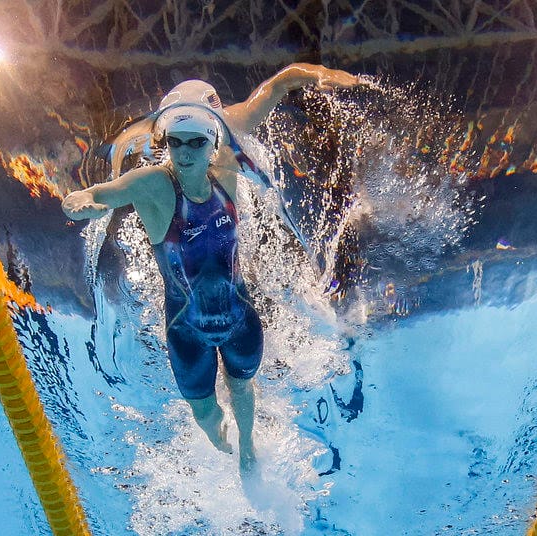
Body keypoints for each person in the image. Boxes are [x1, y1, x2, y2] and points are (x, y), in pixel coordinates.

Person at [62, 64, 360, 474]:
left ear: (213, 141)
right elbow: (103, 193)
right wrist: (81, 201)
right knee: (205, 415)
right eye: (175, 142)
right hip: (186, 333)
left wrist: (321, 74)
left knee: (242, 388)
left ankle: (249, 446)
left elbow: (277, 85)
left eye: (196, 143)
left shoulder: (229, 171)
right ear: (165, 140)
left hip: (240, 317)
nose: (184, 153)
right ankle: (217, 437)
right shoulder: (153, 185)